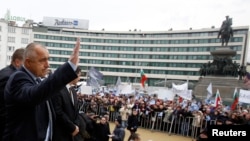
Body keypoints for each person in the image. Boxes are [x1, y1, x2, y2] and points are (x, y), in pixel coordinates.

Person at [3, 38, 80, 141]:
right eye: (42, 60)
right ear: (28, 62)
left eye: (48, 59)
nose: (47, 64)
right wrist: (69, 67)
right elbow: (34, 94)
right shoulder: (18, 78)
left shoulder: (37, 80)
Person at [52, 66, 86, 141]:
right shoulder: (58, 89)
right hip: (61, 133)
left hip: (72, 134)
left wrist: (76, 126)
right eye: (79, 75)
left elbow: (75, 111)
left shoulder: (73, 91)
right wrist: (72, 127)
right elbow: (58, 112)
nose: (79, 78)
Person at [0, 48, 25, 141]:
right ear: (18, 62)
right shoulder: (10, 76)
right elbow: (4, 106)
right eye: (26, 63)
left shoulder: (8, 72)